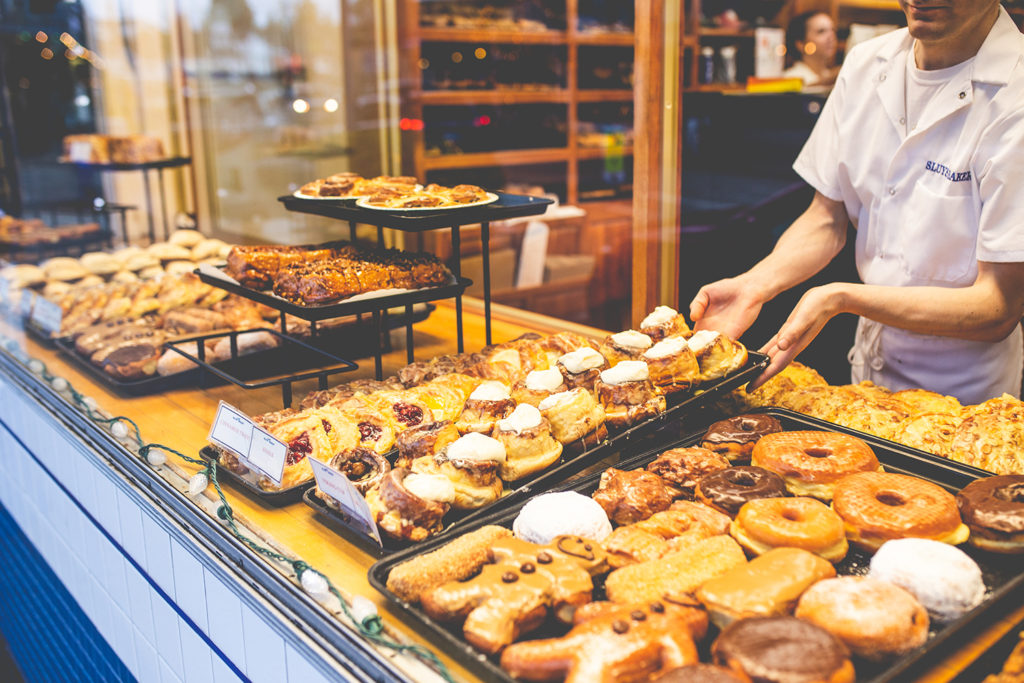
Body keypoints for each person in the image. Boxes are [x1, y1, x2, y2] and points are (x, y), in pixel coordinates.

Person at [689, 0, 1024, 405]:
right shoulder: (867, 63)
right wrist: (754, 285)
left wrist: (842, 298)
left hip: (966, 399)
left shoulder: (1016, 91)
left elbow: (998, 306)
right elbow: (826, 218)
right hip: (866, 380)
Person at [783, 11, 840, 87]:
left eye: (833, 30)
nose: (831, 36)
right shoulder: (789, 77)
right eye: (821, 31)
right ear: (800, 44)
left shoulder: (835, 75)